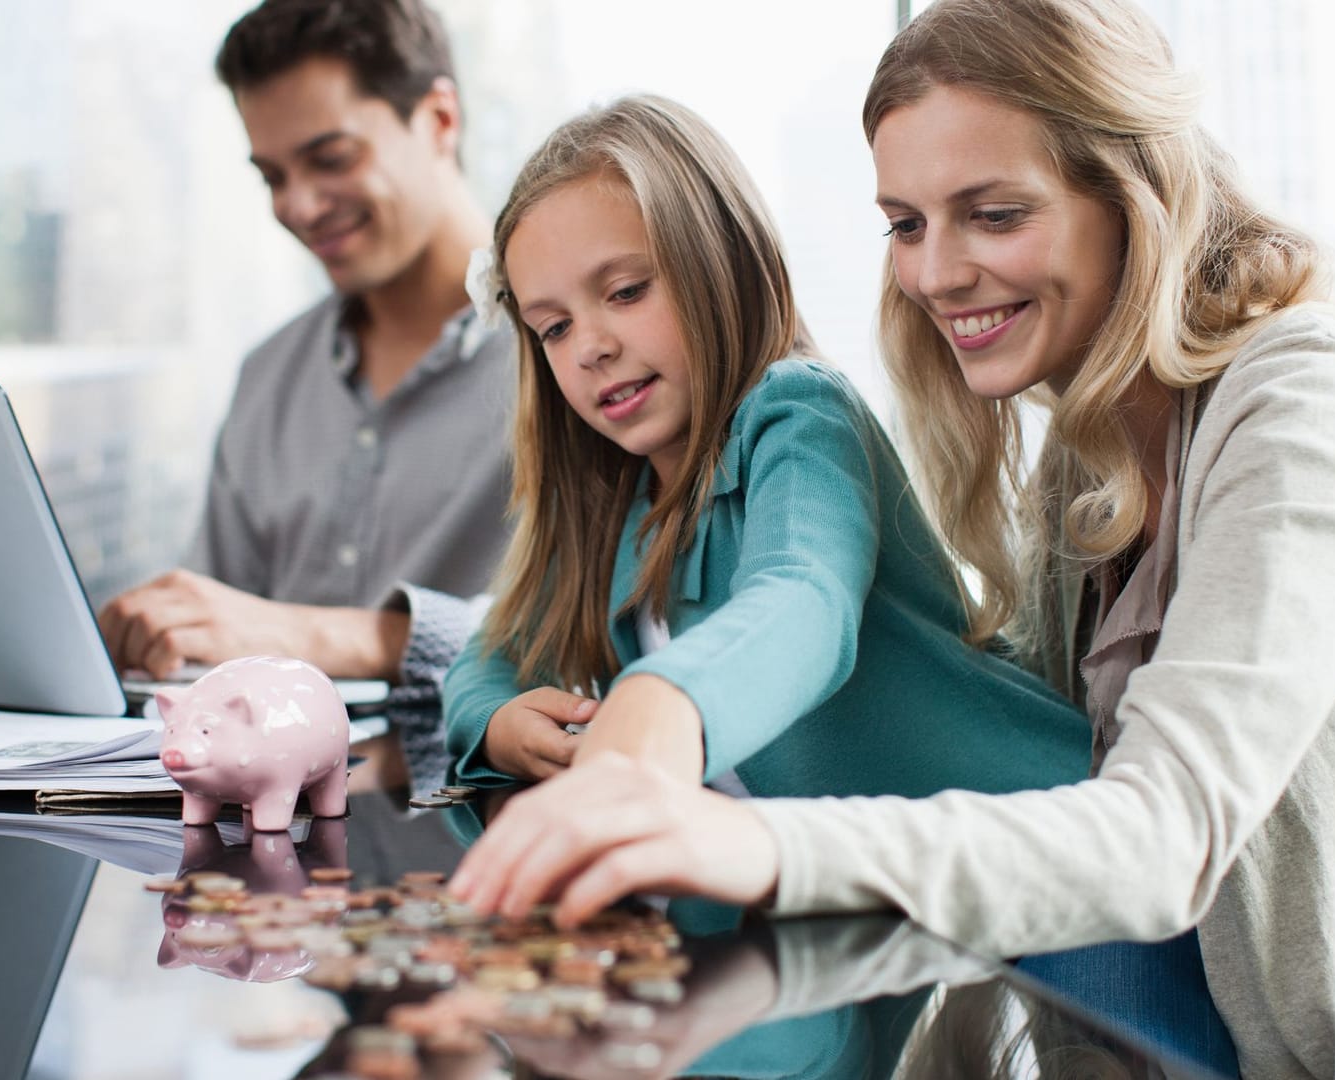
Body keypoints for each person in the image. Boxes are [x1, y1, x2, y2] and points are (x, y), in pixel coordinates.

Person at [446, 1, 1335, 1076]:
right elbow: (1022, 831)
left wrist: (757, 842)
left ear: (1133, 193)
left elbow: (1159, 840)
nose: (937, 272)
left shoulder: (1319, 417)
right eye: (905, 225)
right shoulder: (1084, 482)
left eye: (993, 214)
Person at [440, 97, 1090, 815]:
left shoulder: (799, 413)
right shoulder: (612, 500)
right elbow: (490, 653)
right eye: (555, 327)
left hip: (1043, 858)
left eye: (626, 293)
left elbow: (802, 598)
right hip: (858, 909)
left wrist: (667, 701)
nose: (591, 346)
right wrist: (496, 724)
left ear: (721, 265)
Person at [97, 0, 548, 783]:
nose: (295, 206)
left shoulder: (568, 356)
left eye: (331, 158)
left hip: (487, 840)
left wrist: (327, 636)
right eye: (272, 175)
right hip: (277, 858)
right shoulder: (270, 376)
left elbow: (609, 643)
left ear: (440, 118)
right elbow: (216, 653)